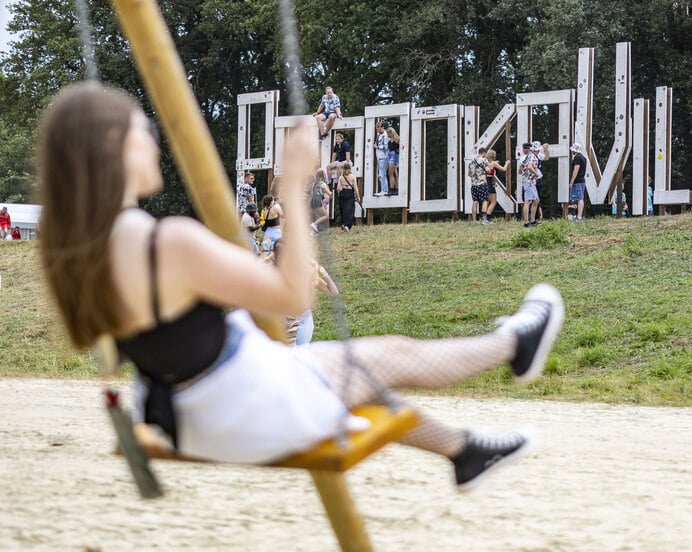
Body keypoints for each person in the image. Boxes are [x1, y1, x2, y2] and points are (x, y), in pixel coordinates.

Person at [37, 82, 564, 489]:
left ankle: (463, 451)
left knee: (356, 379)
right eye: (141, 130)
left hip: (181, 414)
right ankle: (515, 345)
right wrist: (293, 184)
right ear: (113, 144)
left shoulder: (78, 250)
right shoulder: (167, 242)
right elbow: (293, 297)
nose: (153, 141)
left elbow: (131, 340)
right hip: (243, 410)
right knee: (386, 357)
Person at [518, 142, 541, 227]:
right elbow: (530, 167)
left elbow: (520, 171)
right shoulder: (533, 157)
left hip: (528, 181)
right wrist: (536, 174)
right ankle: (526, 222)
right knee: (528, 201)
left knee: (536, 200)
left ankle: (533, 220)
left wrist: (522, 169)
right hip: (529, 182)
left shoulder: (527, 157)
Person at [483, 149, 509, 220]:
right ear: (493, 156)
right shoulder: (494, 164)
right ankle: (488, 216)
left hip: (484, 182)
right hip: (490, 182)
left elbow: (489, 169)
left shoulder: (484, 162)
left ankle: (484, 216)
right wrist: (507, 163)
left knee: (487, 200)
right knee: (493, 201)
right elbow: (504, 169)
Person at [468, 147, 491, 224]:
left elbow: (469, 174)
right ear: (484, 153)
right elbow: (488, 170)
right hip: (482, 183)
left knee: (475, 201)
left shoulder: (471, 161)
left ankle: (474, 220)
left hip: (473, 184)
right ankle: (484, 220)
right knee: (485, 200)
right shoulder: (484, 160)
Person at [336, 163, 361, 232]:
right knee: (350, 210)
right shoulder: (353, 177)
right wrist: (358, 196)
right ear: (350, 169)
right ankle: (347, 225)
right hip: (350, 193)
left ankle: (343, 223)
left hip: (342, 193)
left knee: (343, 209)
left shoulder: (341, 177)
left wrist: (339, 194)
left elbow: (338, 188)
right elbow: (355, 187)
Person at [308, 167, 332, 233]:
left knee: (317, 216)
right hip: (319, 200)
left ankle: (313, 232)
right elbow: (327, 194)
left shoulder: (313, 184)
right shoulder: (323, 184)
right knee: (325, 216)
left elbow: (311, 193)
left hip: (312, 200)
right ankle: (314, 225)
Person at [568, 143, 587, 220]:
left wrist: (572, 180)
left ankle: (579, 216)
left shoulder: (577, 158)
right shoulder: (583, 158)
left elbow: (576, 169)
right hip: (582, 180)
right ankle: (576, 216)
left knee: (579, 198)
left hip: (577, 180)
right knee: (578, 197)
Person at [374, 122, 389, 196]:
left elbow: (386, 147)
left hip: (384, 157)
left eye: (379, 128)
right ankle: (383, 190)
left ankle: (384, 190)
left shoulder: (385, 136)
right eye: (377, 128)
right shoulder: (379, 135)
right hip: (379, 156)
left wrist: (377, 147)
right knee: (381, 174)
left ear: (383, 127)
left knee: (382, 174)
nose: (378, 129)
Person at [385, 127, 400, 196]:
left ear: (392, 132)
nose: (388, 134)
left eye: (389, 133)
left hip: (394, 155)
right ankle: (396, 189)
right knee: (394, 174)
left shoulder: (397, 139)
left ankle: (391, 189)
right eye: (387, 133)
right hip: (390, 155)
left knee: (390, 173)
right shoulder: (389, 140)